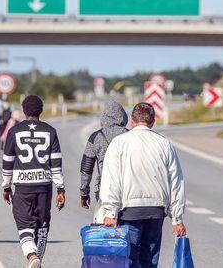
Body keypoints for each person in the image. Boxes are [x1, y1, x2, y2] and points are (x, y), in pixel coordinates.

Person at [100, 102, 186, 268]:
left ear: (132, 120)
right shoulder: (164, 144)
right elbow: (176, 182)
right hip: (156, 210)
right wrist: (177, 218)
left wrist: (109, 211)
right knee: (150, 259)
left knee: (130, 259)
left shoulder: (119, 143)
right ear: (153, 122)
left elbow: (111, 179)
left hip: (129, 211)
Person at [1, 95, 65, 268]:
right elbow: (56, 163)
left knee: (24, 225)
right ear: (41, 110)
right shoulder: (50, 131)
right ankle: (38, 261)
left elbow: (7, 161)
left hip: (22, 186)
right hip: (44, 186)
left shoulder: (15, 131)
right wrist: (60, 189)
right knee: (42, 225)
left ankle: (31, 255)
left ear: (24, 110)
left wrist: (6, 186)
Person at [79, 100, 128, 223]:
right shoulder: (130, 135)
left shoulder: (96, 137)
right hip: (128, 188)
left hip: (104, 189)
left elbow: (86, 168)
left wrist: (84, 193)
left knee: (106, 225)